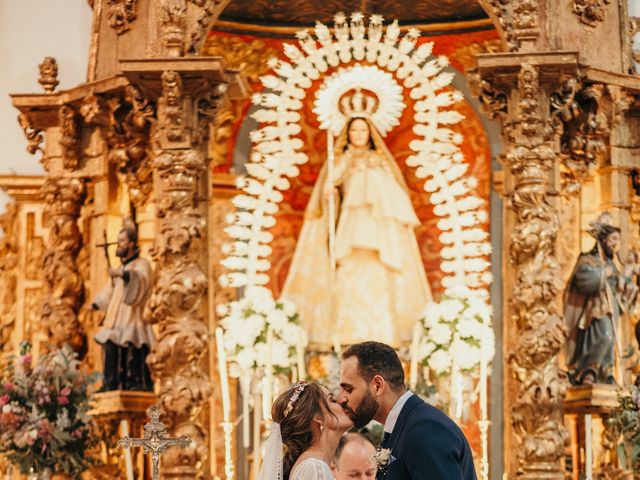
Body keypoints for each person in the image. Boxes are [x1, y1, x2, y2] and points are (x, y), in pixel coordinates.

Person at [281, 93, 432, 348]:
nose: (359, 134)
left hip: (377, 233)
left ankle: (383, 334)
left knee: (378, 279)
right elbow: (326, 201)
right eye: (355, 130)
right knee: (348, 276)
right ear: (348, 133)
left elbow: (394, 201)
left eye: (363, 129)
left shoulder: (381, 163)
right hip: (349, 230)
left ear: (370, 133)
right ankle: (344, 335)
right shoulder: (339, 162)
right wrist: (329, 196)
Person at [337, 341, 476, 480]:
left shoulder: (425, 429)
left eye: (349, 389)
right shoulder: (405, 425)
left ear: (378, 386)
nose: (340, 398)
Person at [565, 213, 637, 385]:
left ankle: (605, 371)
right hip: (594, 309)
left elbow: (620, 288)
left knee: (610, 338)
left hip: (610, 307)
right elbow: (583, 279)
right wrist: (603, 274)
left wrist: (627, 276)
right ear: (603, 240)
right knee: (605, 336)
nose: (615, 245)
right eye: (612, 239)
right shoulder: (588, 259)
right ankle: (588, 369)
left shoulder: (612, 264)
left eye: (617, 240)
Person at [93, 222, 154, 391]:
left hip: (133, 315)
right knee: (111, 345)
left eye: (122, 241)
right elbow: (110, 290)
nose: (119, 244)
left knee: (132, 345)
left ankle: (133, 382)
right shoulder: (121, 266)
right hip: (116, 316)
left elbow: (142, 281)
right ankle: (110, 383)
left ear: (132, 244)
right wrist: (97, 304)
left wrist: (123, 274)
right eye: (118, 240)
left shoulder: (141, 264)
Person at [259, 381, 353, 480]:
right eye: (332, 400)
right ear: (317, 417)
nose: (341, 403)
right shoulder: (315, 468)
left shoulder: (313, 465)